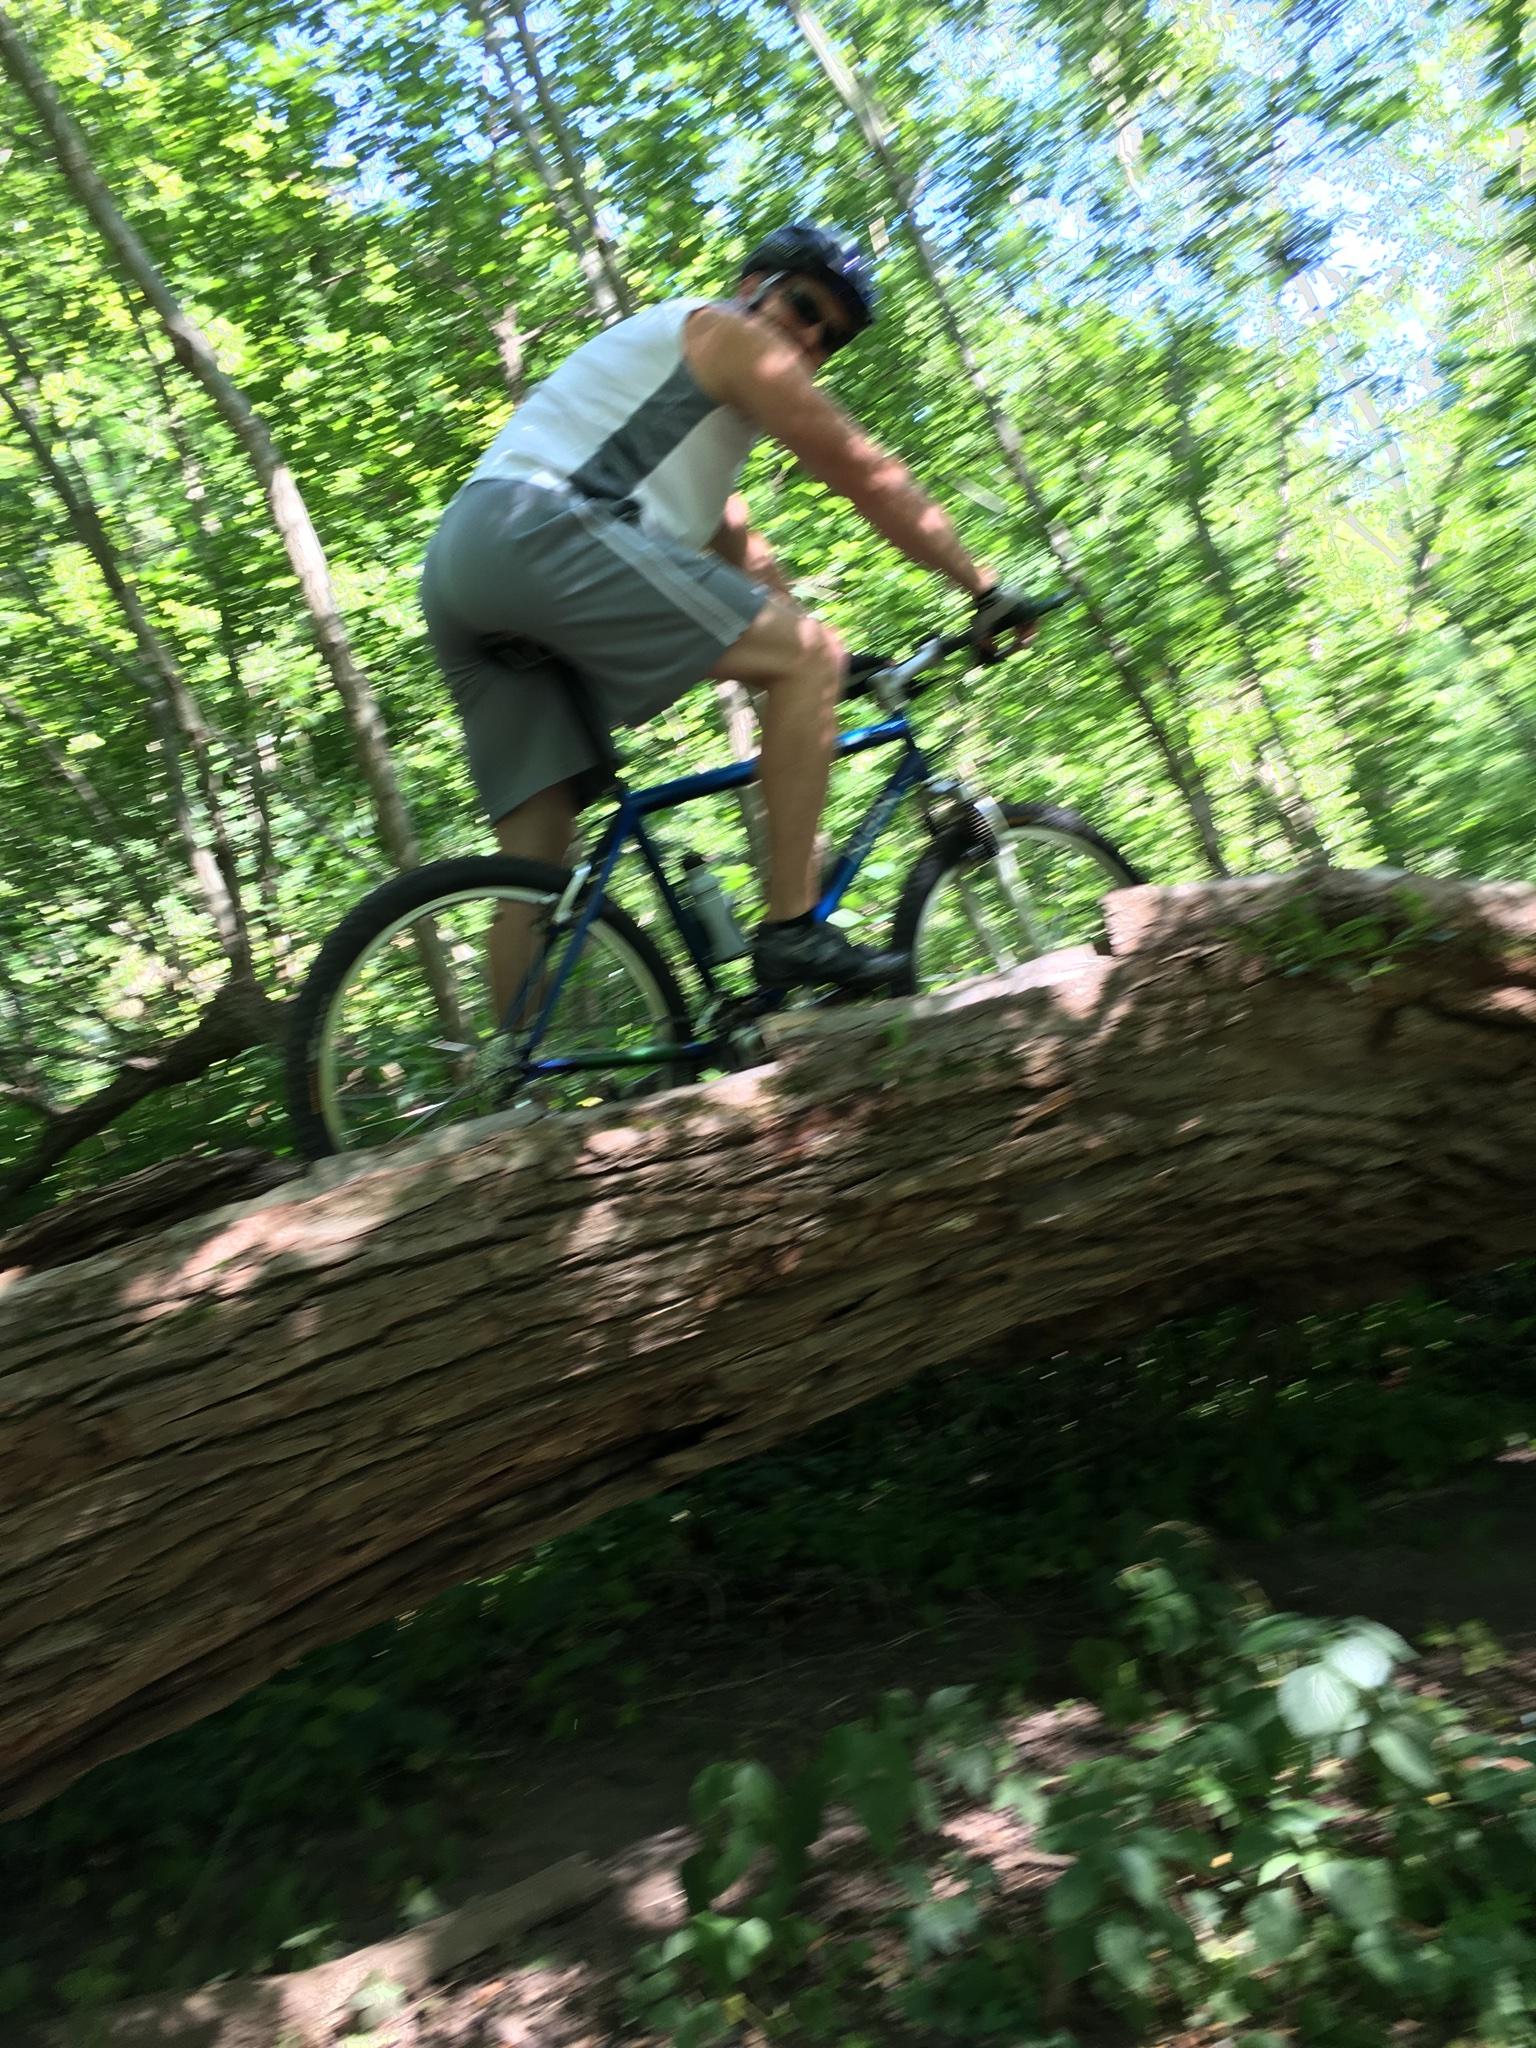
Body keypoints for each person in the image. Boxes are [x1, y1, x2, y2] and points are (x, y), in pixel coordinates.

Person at [420, 222, 1036, 1002]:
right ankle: (792, 931)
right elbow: (860, 469)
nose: (811, 336)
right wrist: (982, 586)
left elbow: (742, 556)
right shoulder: (725, 334)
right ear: (754, 287)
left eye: (830, 337)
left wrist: (831, 668)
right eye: (805, 306)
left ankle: (513, 1097)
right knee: (805, 653)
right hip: (537, 527)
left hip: (466, 563)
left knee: (535, 871)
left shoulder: (692, 424)